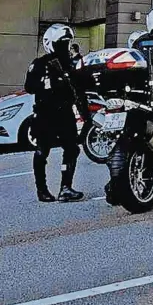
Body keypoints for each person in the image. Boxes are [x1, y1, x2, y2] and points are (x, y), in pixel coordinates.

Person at [25, 24, 91, 202]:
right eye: (62, 43)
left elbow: (81, 89)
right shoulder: (40, 64)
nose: (66, 47)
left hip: (65, 113)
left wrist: (86, 116)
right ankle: (42, 190)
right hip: (45, 113)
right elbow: (29, 86)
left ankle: (66, 187)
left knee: (72, 149)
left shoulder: (71, 64)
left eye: (67, 43)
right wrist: (48, 83)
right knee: (42, 151)